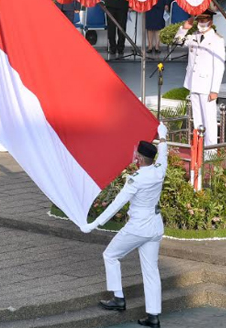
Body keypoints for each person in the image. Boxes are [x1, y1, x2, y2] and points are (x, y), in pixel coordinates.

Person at [81, 123, 168, 328]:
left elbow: (116, 204)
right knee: (151, 271)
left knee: (110, 255)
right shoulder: (159, 169)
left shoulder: (135, 180)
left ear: (139, 158)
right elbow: (164, 154)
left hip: (138, 227)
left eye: (136, 155)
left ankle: (118, 299)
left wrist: (93, 224)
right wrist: (163, 136)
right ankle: (153, 317)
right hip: (155, 227)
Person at [174, 8, 225, 148]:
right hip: (193, 83)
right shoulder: (193, 36)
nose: (201, 23)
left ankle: (210, 150)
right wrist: (184, 29)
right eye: (199, 20)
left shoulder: (217, 40)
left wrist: (215, 89)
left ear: (210, 20)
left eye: (204, 20)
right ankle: (199, 148)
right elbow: (177, 42)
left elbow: (219, 66)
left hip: (207, 85)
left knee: (209, 120)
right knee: (197, 119)